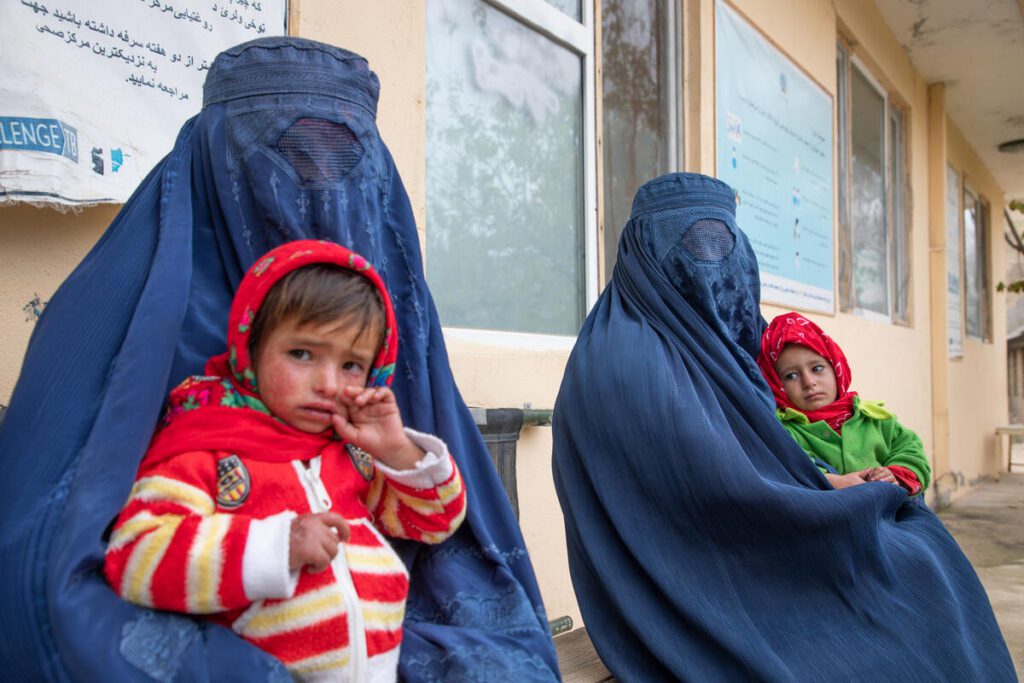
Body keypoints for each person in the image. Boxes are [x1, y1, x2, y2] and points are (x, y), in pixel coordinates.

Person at [0, 38, 559, 681]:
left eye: (342, 162)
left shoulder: (368, 361)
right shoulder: (144, 336)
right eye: (286, 156)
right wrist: (274, 553)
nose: (316, 190)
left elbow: (440, 522)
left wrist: (400, 452)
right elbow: (62, 565)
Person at [551, 172, 1014, 680]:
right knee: (913, 583)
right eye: (693, 246)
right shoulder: (627, 358)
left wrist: (834, 482)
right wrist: (837, 490)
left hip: (744, 546)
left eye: (723, 245)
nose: (714, 265)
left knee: (921, 548)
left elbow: (762, 449)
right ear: (645, 255)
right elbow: (719, 492)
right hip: (701, 577)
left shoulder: (704, 335)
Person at [104, 239, 467, 681]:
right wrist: (280, 546)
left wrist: (394, 450)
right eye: (301, 354)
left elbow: (435, 520)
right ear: (250, 347)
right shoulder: (207, 448)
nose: (329, 384)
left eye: (352, 365)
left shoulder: (350, 456)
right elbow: (136, 556)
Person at [757, 311, 930, 496]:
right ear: (776, 384)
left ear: (836, 368)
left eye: (817, 368)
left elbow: (911, 451)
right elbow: (785, 467)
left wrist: (894, 475)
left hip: (890, 517)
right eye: (791, 375)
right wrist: (834, 482)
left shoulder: (875, 420)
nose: (808, 382)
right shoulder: (783, 430)